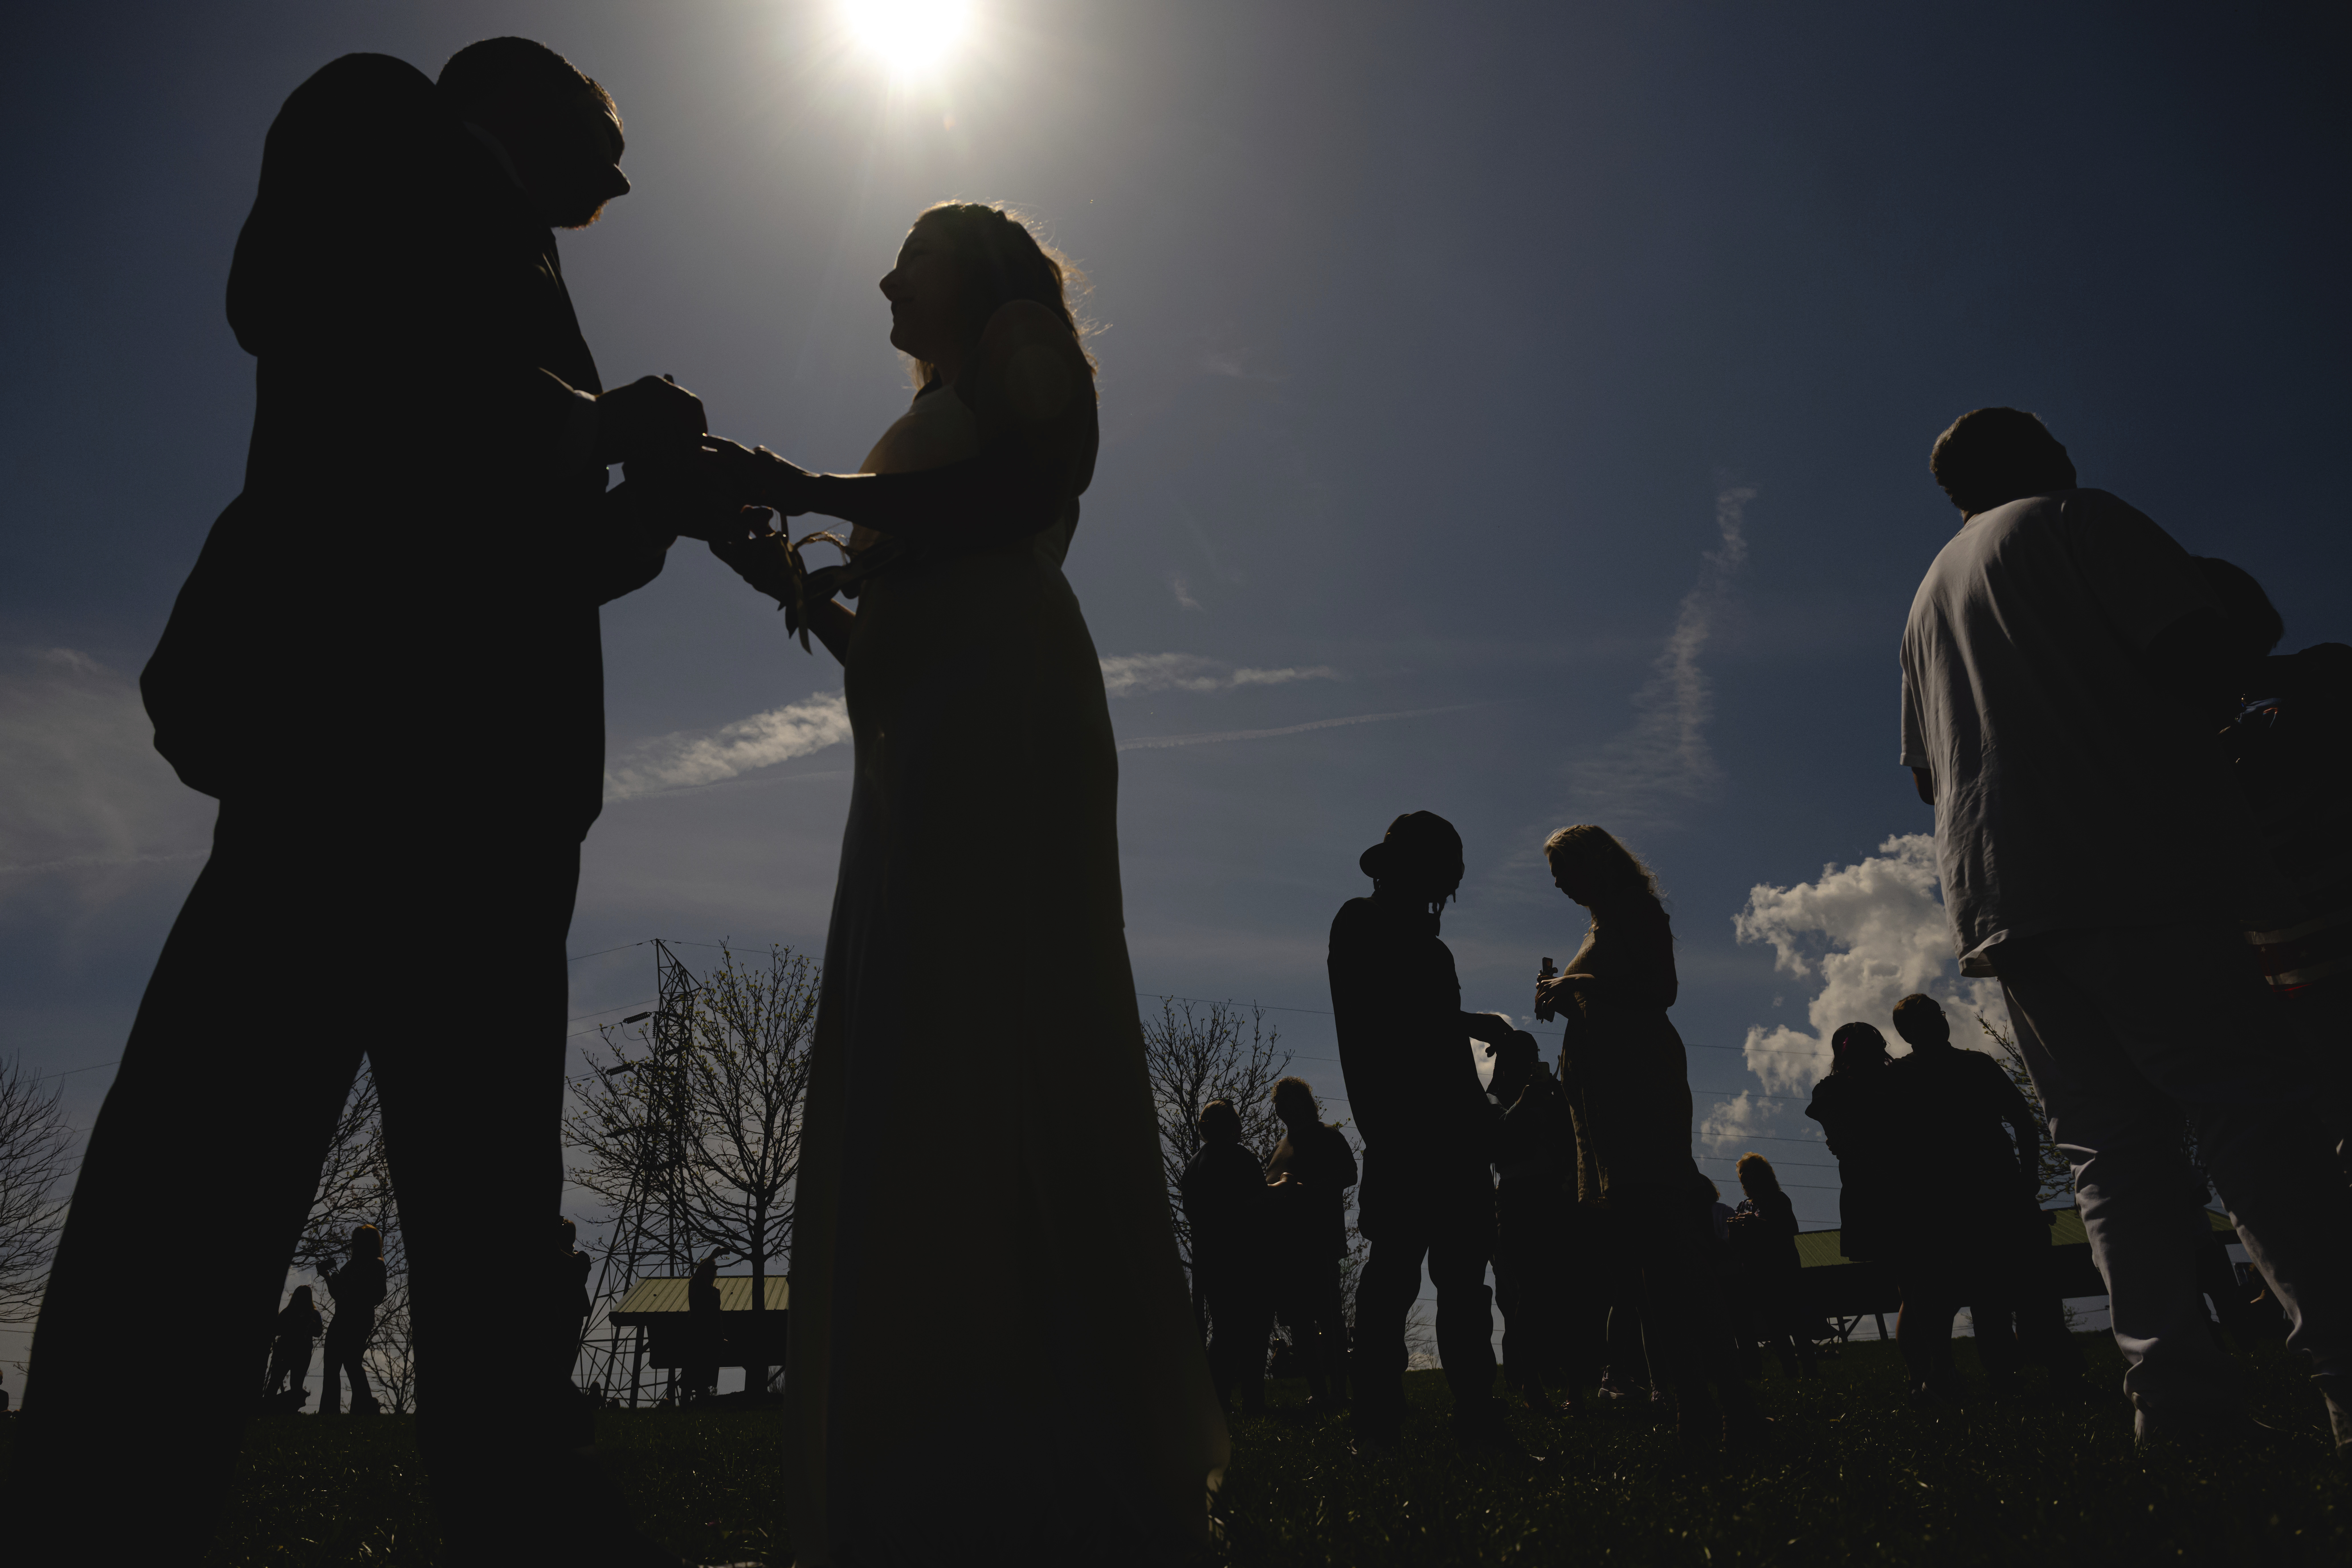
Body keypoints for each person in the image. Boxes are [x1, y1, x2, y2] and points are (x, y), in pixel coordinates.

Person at [13, 38, 712, 1565]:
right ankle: (99, 1516)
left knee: (489, 1227)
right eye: (606, 135)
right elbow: (338, 333)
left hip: (503, 817)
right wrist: (599, 427)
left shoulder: (525, 268)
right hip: (351, 773)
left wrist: (649, 504)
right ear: (522, 96)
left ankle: (525, 1516)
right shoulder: (378, 119)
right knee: (204, 1182)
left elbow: (518, 549)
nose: (623, 178)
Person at [701, 203, 1224, 1562]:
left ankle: (1031, 1443)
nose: (884, 275)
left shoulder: (1023, 341)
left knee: (988, 1024)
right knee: (923, 1038)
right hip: (922, 729)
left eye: (910, 256)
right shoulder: (941, 400)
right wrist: (785, 571)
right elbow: (907, 598)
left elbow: (1022, 498)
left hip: (1002, 714)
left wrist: (811, 490)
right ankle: (929, 1442)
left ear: (975, 273)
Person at [1902, 407, 2352, 1449]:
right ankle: (2340, 1367)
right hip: (2129, 863)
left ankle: (2178, 1410)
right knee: (2248, 1110)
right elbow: (2200, 659)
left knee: (2111, 1154)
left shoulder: (1925, 599)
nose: (2066, 451)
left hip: (2000, 895)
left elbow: (1926, 772)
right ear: (2033, 455)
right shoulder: (2077, 517)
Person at [1538, 824, 1763, 1457]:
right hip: (1607, 1101)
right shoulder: (1598, 924)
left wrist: (1576, 987)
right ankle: (1694, 1406)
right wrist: (1566, 999)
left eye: (1563, 869)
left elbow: (1659, 992)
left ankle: (1729, 1408)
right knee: (1650, 1266)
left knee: (1672, 1254)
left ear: (1595, 864)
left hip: (1640, 1090)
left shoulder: (1637, 914)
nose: (1557, 883)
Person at [1328, 810, 1526, 1454]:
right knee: (1399, 1280)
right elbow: (1402, 1026)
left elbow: (1430, 1031)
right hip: (1409, 1130)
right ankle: (1379, 1425)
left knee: (1458, 1283)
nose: (1441, 891)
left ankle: (1463, 1419)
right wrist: (1482, 1105)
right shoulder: (1364, 923)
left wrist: (1480, 1100)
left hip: (1440, 1132)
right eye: (1438, 874)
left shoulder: (1417, 941)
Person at [1886, 993, 2084, 1399]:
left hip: (2000, 1189)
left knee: (2031, 1287)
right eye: (1925, 1020)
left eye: (1936, 1017)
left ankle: (2055, 1372)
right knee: (1990, 1292)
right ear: (1907, 1034)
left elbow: (2022, 1121)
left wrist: (2028, 1176)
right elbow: (1897, 1146)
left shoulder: (1975, 1064)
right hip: (1956, 1201)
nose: (1936, 1025)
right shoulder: (1904, 1079)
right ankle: (2009, 1376)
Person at [1485, 1030, 1582, 1415]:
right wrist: (1526, 1102)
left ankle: (1574, 1389)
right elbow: (1495, 1140)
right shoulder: (1494, 1097)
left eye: (1533, 1056)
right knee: (1529, 1294)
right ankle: (1534, 1387)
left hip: (1557, 1195)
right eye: (1522, 1057)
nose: (1529, 1064)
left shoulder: (1553, 1094)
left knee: (1569, 1293)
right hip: (1519, 1199)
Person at [1263, 1077, 1359, 1412]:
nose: (1280, 1108)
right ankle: (1319, 1392)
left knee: (1329, 1320)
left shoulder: (1328, 1136)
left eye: (1286, 1101)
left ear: (1303, 1102)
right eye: (1278, 1103)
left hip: (1318, 1242)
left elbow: (1349, 1174)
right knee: (1300, 1323)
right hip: (1285, 1248)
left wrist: (1310, 1189)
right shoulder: (1281, 1145)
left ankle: (1338, 1392)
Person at [1182, 1101, 1276, 1416]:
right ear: (1230, 1125)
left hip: (1210, 1260)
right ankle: (1253, 1401)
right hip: (1244, 1258)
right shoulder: (1240, 1157)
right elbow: (1253, 1204)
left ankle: (1218, 1402)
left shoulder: (1194, 1165)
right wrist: (1279, 1190)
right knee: (1254, 1328)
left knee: (1225, 1332)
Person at [1725, 1155, 1818, 1380]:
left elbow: (1790, 1228)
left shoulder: (1778, 1199)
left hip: (1784, 1273)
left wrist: (1758, 1225)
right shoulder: (1743, 1206)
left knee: (1796, 1325)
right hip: (1758, 1277)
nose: (1744, 1178)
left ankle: (1811, 1374)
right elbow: (1736, 1244)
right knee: (1776, 1329)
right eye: (1741, 1175)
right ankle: (1792, 1375)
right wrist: (1734, 1229)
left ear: (1761, 1175)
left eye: (1748, 1173)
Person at [321, 1224, 387, 1416]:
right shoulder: (349, 1266)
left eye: (360, 1239)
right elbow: (338, 1294)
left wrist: (355, 1293)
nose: (355, 1243)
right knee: (332, 1366)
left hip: (359, 1318)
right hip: (342, 1318)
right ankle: (329, 1412)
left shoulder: (376, 1264)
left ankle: (365, 1407)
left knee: (351, 1364)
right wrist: (328, 1277)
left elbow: (379, 1294)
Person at [264, 1285, 324, 1405]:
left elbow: (318, 1332)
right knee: (276, 1381)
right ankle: (266, 1407)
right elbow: (276, 1330)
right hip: (285, 1351)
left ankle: (290, 1409)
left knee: (296, 1384)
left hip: (303, 1353)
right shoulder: (288, 1312)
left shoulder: (314, 1314)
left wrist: (311, 1325)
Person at [684, 1254, 723, 1404]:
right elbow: (697, 1274)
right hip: (696, 1333)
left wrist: (721, 1335)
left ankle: (701, 1403)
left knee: (705, 1375)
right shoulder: (695, 1286)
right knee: (691, 1373)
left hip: (710, 1336)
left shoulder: (716, 1292)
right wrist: (712, 1256)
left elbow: (718, 1316)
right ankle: (687, 1406)